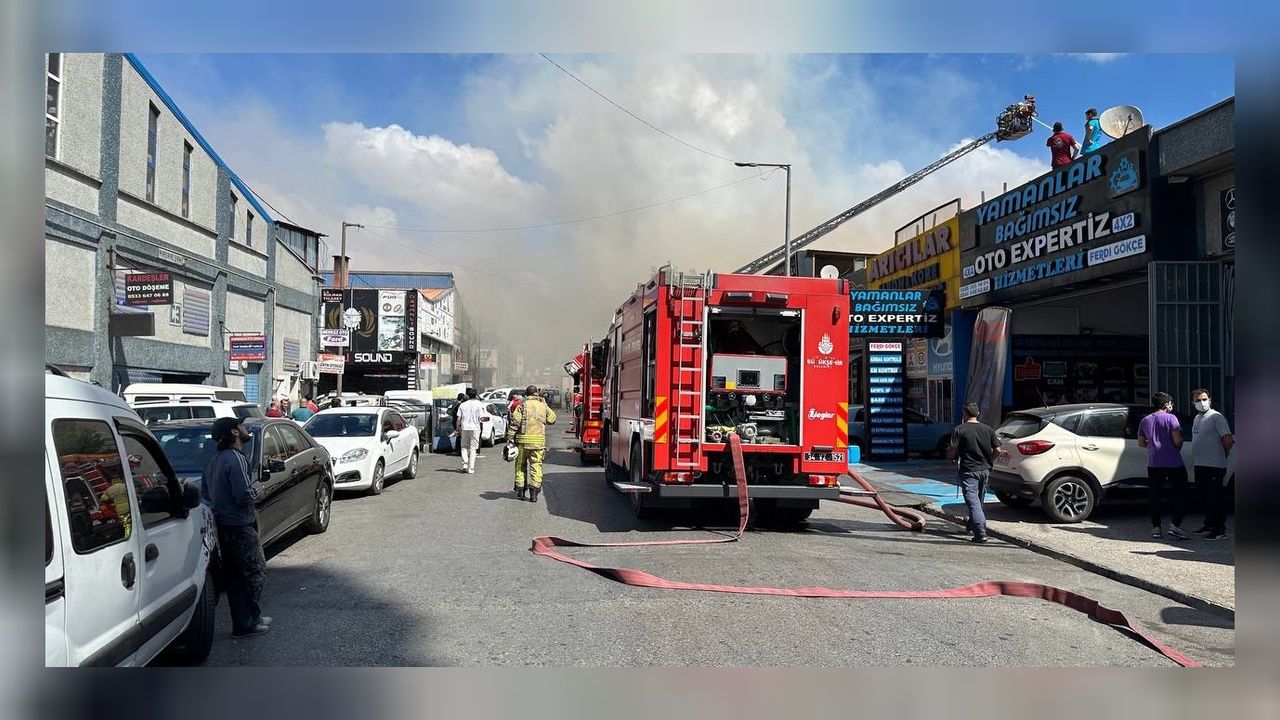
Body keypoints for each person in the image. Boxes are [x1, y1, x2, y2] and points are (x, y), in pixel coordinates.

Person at [202, 416, 270, 638]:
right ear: (234, 433)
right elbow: (243, 494)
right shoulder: (236, 458)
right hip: (239, 526)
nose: (245, 429)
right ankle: (247, 621)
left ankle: (250, 618)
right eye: (241, 426)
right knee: (254, 572)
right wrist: (259, 491)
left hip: (222, 526)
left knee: (236, 576)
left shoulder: (214, 461)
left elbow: (206, 494)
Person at [946, 402, 1005, 543]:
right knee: (978, 500)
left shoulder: (959, 430)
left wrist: (951, 458)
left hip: (969, 471)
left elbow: (952, 450)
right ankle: (971, 524)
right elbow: (998, 450)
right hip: (984, 470)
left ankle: (980, 532)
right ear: (978, 413)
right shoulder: (988, 429)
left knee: (973, 502)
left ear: (965, 414)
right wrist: (990, 460)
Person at [1138, 392, 1188, 539]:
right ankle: (1175, 525)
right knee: (1179, 493)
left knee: (1154, 495)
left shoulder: (1145, 420)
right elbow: (1177, 440)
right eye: (1171, 403)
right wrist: (1178, 444)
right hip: (1173, 462)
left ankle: (1156, 527)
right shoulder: (1171, 418)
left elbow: (1141, 442)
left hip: (1154, 463)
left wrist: (1152, 445)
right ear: (1166, 405)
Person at [1190, 389, 1233, 540]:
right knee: (1204, 497)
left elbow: (1227, 440)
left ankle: (1219, 529)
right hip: (1200, 464)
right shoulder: (1197, 418)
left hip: (1214, 465)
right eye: (1197, 400)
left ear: (1209, 399)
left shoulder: (1216, 417)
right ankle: (1209, 524)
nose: (1201, 402)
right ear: (1192, 403)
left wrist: (1223, 454)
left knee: (1216, 498)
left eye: (1203, 399)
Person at [506, 385, 557, 503]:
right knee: (536, 466)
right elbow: (552, 419)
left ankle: (520, 490)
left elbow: (514, 423)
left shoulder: (522, 406)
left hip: (522, 443)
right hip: (538, 443)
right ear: (536, 394)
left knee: (520, 465)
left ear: (526, 395)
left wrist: (510, 438)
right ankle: (534, 493)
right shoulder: (543, 406)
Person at [455, 388, 488, 473]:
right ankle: (471, 468)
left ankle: (465, 464)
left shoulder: (462, 405)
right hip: (475, 428)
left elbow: (458, 419)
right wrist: (485, 419)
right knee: (473, 448)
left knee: (464, 447)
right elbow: (481, 418)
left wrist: (457, 428)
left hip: (464, 427)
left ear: (468, 396)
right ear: (476, 395)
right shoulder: (479, 404)